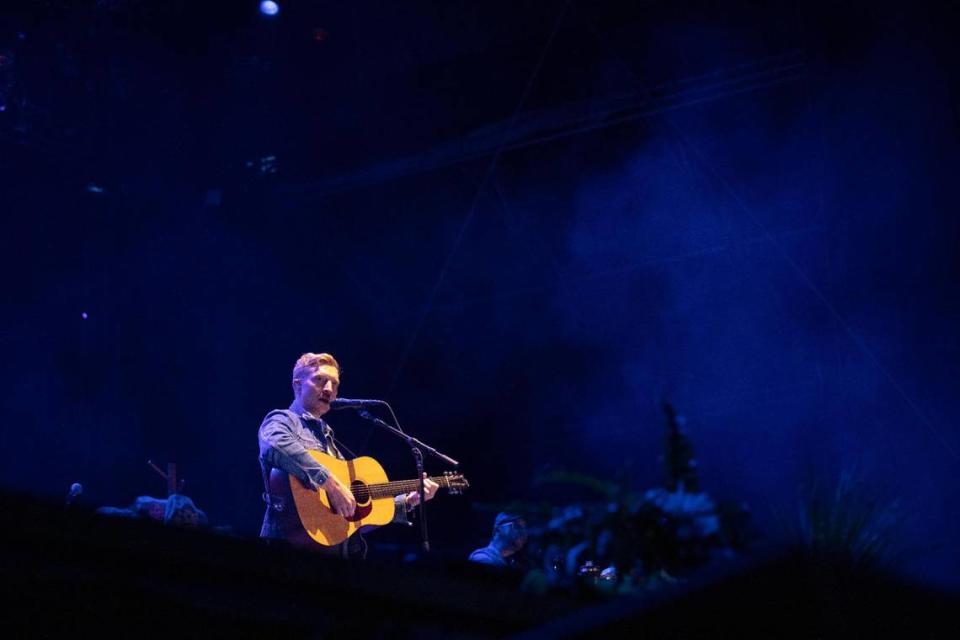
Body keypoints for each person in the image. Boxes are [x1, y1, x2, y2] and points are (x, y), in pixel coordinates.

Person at [258, 352, 438, 558]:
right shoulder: (283, 420)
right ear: (297, 385)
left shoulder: (330, 441)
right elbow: (275, 444)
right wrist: (329, 483)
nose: (328, 388)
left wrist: (408, 502)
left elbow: (354, 515)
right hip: (287, 552)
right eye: (320, 380)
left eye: (334, 384)